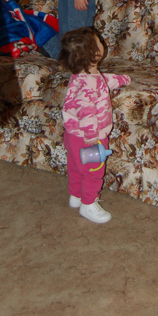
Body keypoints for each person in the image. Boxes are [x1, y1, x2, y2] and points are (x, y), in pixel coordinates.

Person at [60, 26, 131, 224]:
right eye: (98, 40)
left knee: (75, 166)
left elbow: (102, 82)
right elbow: (86, 110)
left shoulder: (83, 76)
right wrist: (93, 138)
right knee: (93, 172)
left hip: (73, 136)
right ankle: (88, 204)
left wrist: (120, 80)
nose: (102, 41)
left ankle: (76, 196)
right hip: (90, 138)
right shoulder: (89, 83)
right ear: (95, 53)